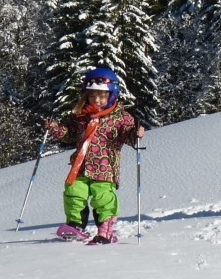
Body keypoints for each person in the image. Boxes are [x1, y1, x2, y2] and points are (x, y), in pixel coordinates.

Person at [45, 67, 146, 244]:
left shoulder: (120, 117)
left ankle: (106, 228)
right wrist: (55, 128)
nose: (96, 100)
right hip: (81, 165)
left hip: (105, 167)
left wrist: (135, 135)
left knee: (103, 197)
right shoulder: (80, 117)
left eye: (101, 96)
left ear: (112, 95)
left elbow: (126, 134)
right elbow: (70, 135)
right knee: (73, 192)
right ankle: (75, 224)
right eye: (92, 96)